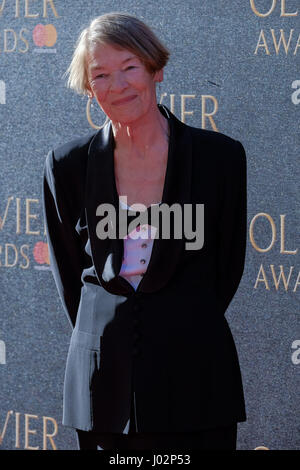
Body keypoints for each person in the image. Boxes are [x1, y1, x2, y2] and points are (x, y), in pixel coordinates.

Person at [42, 12, 247, 451]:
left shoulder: (220, 159)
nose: (118, 85)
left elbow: (227, 268)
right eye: (100, 74)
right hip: (102, 393)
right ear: (88, 86)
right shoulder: (67, 165)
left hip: (198, 383)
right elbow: (71, 276)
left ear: (155, 68)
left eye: (130, 66)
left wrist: (178, 319)